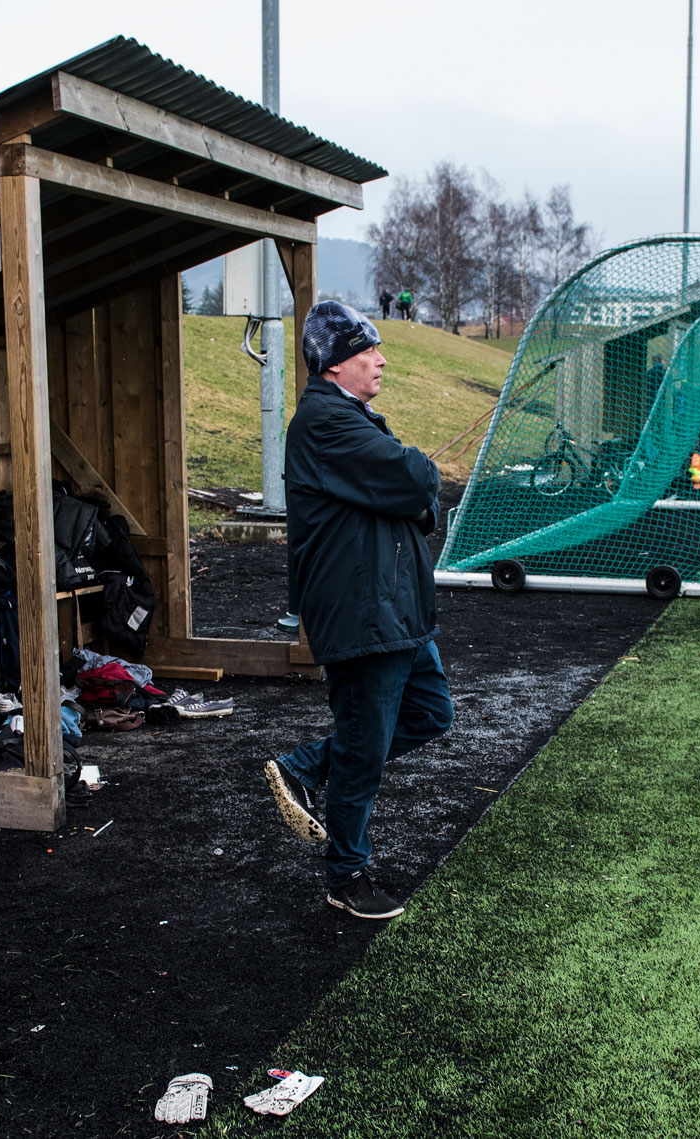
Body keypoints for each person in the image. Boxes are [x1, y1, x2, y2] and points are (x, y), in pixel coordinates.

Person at [265, 300, 453, 920]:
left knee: (430, 713)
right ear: (335, 365)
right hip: (363, 612)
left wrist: (414, 489)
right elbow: (416, 480)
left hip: (395, 609)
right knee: (366, 746)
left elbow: (420, 504)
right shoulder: (325, 420)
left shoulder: (354, 418)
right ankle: (347, 874)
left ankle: (306, 766)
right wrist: (416, 481)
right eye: (367, 350)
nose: (380, 359)